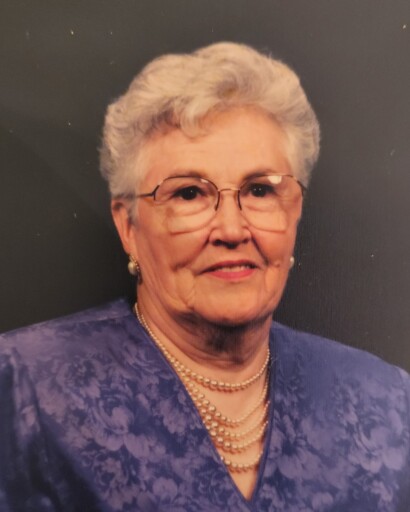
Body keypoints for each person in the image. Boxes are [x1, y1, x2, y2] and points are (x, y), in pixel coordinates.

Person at [0, 42, 409, 512]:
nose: (232, 230)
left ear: (294, 211)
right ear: (129, 226)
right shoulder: (23, 388)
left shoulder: (386, 401)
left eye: (260, 190)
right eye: (189, 194)